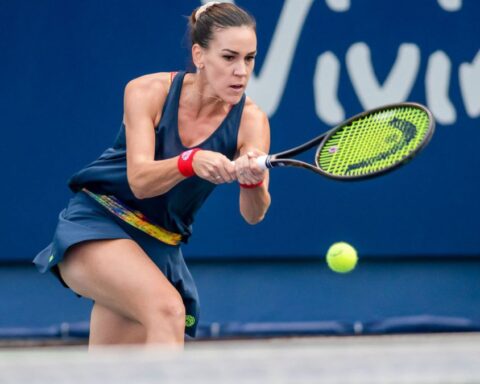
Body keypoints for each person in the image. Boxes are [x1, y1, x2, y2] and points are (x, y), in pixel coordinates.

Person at [33, 2, 271, 348]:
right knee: (167, 310)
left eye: (249, 59)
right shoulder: (147, 91)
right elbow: (140, 180)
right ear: (199, 55)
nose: (241, 71)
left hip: (159, 246)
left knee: (114, 374)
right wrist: (190, 161)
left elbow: (254, 213)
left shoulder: (252, 120)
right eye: (229, 57)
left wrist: (252, 181)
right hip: (99, 223)